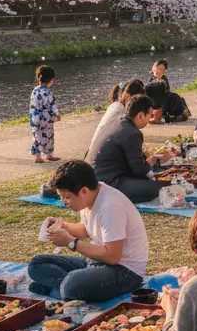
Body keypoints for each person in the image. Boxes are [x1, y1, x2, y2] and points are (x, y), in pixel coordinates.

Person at [27, 160, 148, 300]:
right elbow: (86, 229)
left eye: (67, 197)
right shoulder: (91, 197)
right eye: (61, 197)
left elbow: (113, 257)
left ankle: (61, 290)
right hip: (96, 261)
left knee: (72, 283)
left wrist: (70, 242)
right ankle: (66, 288)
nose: (64, 202)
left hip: (125, 271)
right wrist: (63, 226)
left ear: (83, 191)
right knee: (37, 263)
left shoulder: (111, 206)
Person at [87, 95, 170, 204]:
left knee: (147, 179)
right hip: (106, 182)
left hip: (92, 174)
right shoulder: (132, 133)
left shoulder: (116, 121)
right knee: (153, 188)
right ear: (140, 115)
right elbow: (138, 170)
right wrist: (152, 160)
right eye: (150, 115)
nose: (150, 118)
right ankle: (106, 197)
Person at [29, 65, 60, 163]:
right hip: (46, 118)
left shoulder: (35, 90)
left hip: (35, 117)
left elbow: (32, 104)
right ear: (51, 80)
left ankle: (38, 156)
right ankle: (49, 154)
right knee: (48, 136)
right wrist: (56, 115)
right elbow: (52, 106)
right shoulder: (48, 92)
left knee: (37, 136)